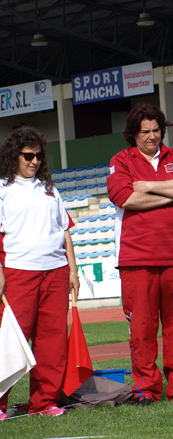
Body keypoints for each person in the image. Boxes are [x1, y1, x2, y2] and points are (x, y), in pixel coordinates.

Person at [106, 104, 173, 405]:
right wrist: (172, 193)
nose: (152, 137)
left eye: (156, 130)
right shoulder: (120, 161)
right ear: (133, 134)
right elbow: (125, 198)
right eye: (145, 131)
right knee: (142, 330)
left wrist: (147, 186)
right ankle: (146, 390)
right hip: (137, 259)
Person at [0, 126, 81, 419]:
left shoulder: (50, 189)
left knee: (52, 342)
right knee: (9, 340)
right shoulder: (2, 190)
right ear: (14, 156)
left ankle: (44, 403)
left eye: (38, 155)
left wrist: (73, 270)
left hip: (56, 272)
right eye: (28, 155)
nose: (34, 161)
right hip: (18, 272)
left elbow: (65, 231)